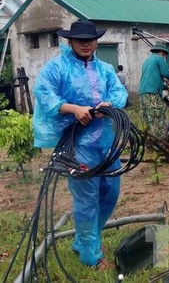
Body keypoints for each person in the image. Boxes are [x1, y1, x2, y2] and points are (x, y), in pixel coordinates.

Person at [32, 20, 128, 269]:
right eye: (80, 40)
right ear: (70, 41)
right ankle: (91, 255)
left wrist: (109, 104)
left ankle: (84, 239)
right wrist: (73, 108)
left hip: (106, 142)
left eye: (90, 39)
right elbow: (45, 94)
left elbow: (119, 93)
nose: (86, 44)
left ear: (96, 41)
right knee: (87, 199)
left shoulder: (105, 69)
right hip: (77, 145)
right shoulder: (56, 68)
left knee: (110, 193)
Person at [139, 43, 169, 138]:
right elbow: (167, 73)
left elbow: (154, 80)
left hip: (143, 94)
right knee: (156, 119)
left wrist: (168, 88)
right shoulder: (159, 59)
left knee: (147, 119)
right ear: (161, 52)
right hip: (153, 94)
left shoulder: (147, 61)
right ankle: (159, 145)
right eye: (164, 55)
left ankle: (148, 141)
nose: (164, 57)